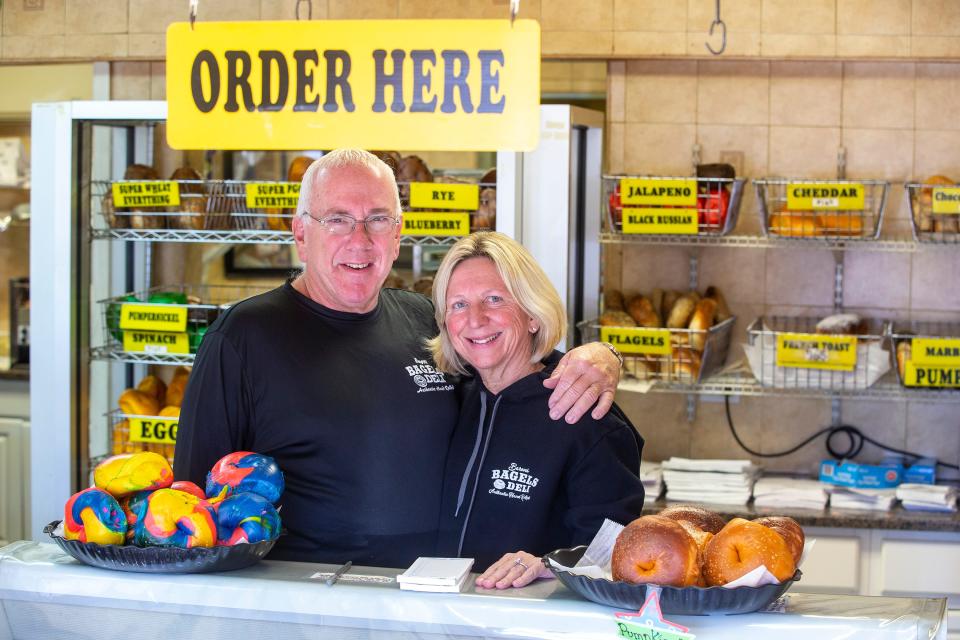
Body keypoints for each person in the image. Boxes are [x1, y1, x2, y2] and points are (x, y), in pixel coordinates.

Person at [173, 149, 622, 568]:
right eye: (338, 219)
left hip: (433, 597)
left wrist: (602, 356)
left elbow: (512, 366)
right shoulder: (241, 339)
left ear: (398, 233)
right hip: (303, 599)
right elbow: (192, 505)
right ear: (301, 232)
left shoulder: (424, 319)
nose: (360, 240)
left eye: (378, 220)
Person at [429, 232, 645, 589]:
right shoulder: (447, 398)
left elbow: (617, 548)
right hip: (442, 613)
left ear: (532, 314)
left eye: (494, 299)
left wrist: (549, 564)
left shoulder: (583, 414)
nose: (475, 319)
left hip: (532, 620)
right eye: (458, 305)